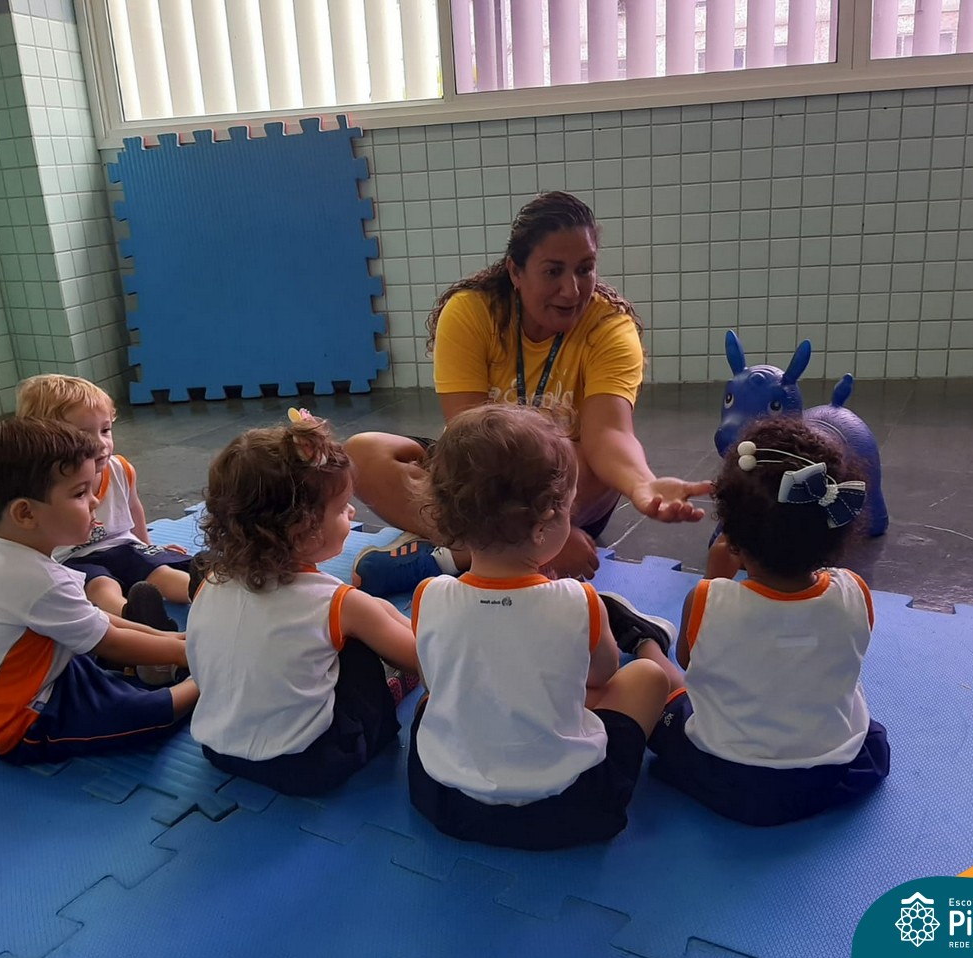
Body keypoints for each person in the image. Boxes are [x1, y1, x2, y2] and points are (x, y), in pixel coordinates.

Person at [346, 191, 713, 596]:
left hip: (561, 496)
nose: (571, 290)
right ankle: (506, 551)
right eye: (553, 271)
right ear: (516, 271)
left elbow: (609, 433)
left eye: (585, 269)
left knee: (582, 458)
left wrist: (643, 485)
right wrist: (538, 536)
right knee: (362, 454)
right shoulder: (471, 312)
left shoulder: (610, 327)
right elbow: (467, 435)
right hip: (483, 472)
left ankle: (457, 552)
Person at [407, 404, 679, 849]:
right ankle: (648, 640)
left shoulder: (428, 595)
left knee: (436, 699)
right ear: (544, 526)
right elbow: (603, 675)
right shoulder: (579, 601)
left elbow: (434, 679)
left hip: (445, 800)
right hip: (570, 810)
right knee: (647, 676)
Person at [648, 417, 891, 826]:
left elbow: (690, 661)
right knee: (872, 732)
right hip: (833, 771)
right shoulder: (856, 591)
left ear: (733, 539)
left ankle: (645, 642)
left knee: (667, 701)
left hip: (735, 779)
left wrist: (715, 578)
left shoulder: (709, 599)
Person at [186, 411, 420, 796]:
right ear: (303, 530)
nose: (352, 513)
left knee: (356, 617)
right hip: (310, 763)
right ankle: (387, 689)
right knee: (358, 639)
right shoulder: (335, 602)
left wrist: (379, 612)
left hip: (218, 749)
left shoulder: (210, 581)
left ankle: (381, 625)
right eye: (342, 508)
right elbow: (423, 658)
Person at [0, 418, 198, 764]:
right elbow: (110, 640)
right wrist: (194, 654)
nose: (94, 502)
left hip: (41, 676)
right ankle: (203, 681)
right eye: (80, 493)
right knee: (143, 714)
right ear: (26, 513)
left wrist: (173, 641)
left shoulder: (3, 554)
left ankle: (153, 665)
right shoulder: (36, 581)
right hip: (16, 725)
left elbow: (95, 620)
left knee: (101, 660)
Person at [15, 374, 191, 625]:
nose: (101, 443)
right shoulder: (44, 486)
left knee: (158, 569)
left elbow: (133, 507)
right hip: (76, 558)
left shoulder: (120, 469)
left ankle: (204, 589)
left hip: (124, 546)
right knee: (101, 585)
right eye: (83, 435)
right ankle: (132, 613)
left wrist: (149, 546)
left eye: (106, 430)